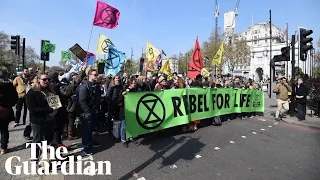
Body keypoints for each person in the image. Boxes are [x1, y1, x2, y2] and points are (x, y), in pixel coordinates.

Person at [26, 72, 59, 160]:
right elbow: (33, 110)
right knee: (37, 141)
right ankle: (34, 159)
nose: (47, 81)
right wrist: (50, 110)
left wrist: (55, 110)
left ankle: (46, 158)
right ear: (38, 80)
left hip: (50, 120)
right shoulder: (32, 93)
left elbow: (56, 105)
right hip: (38, 121)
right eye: (44, 79)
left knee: (49, 140)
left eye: (48, 79)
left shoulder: (51, 90)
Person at [78, 69, 101, 155]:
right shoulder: (85, 86)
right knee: (86, 130)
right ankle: (85, 147)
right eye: (95, 75)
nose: (96, 76)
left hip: (95, 110)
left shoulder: (95, 85)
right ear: (89, 75)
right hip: (88, 112)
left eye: (97, 74)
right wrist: (87, 112)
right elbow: (82, 101)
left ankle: (90, 141)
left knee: (91, 128)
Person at [0, 67, 18, 154]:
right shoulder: (9, 85)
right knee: (4, 129)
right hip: (5, 109)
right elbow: (15, 97)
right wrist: (10, 104)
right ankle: (3, 148)